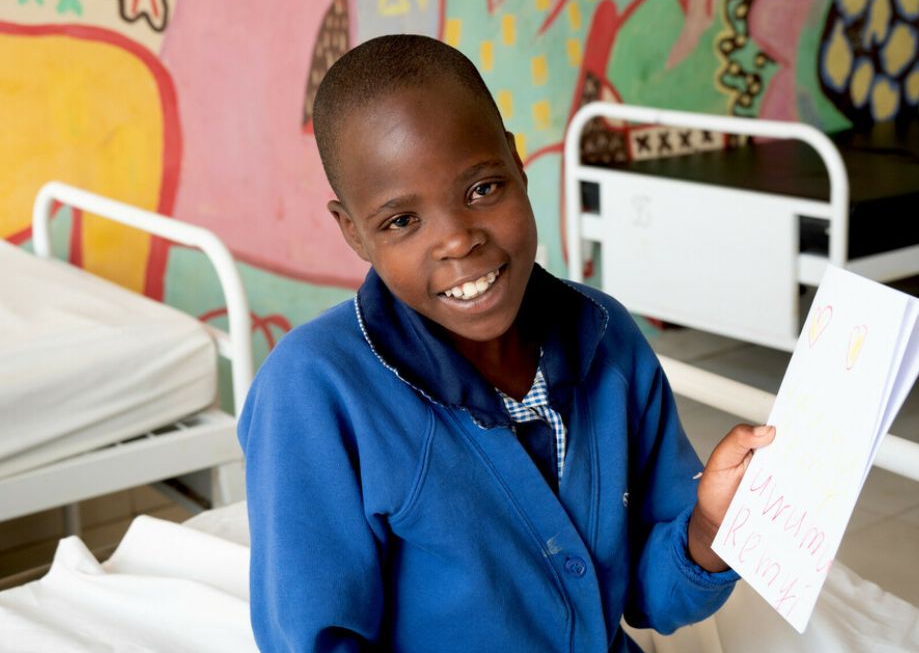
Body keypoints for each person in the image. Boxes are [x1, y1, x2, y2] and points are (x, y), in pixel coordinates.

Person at [237, 34, 775, 651]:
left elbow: (652, 595)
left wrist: (709, 528)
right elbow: (313, 638)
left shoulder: (607, 338)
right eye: (401, 221)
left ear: (517, 165)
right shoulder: (312, 388)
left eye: (482, 190)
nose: (458, 241)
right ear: (354, 233)